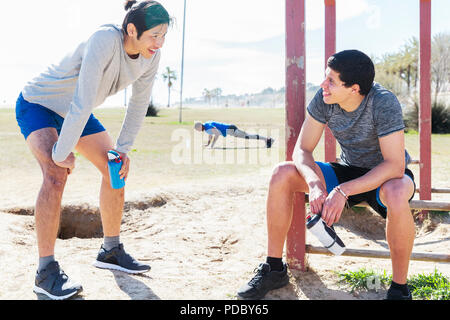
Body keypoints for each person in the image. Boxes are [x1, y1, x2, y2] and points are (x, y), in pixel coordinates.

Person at [15, 0, 171, 300]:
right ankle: (45, 272)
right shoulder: (104, 40)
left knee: (115, 167)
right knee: (56, 174)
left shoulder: (151, 57)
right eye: (154, 35)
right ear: (131, 29)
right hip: (39, 104)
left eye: (163, 36)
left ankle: (110, 250)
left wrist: (123, 151)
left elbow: (139, 105)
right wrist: (60, 154)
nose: (159, 43)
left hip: (75, 112)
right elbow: (83, 100)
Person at [237, 50, 416, 300]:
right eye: (325, 77)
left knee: (396, 193)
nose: (323, 85)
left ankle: (399, 289)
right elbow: (302, 150)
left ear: (354, 89)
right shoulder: (324, 98)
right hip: (347, 169)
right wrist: (315, 184)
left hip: (384, 176)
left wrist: (343, 191)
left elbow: (394, 165)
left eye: (331, 80)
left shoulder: (383, 102)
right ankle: (275, 268)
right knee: (282, 173)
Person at [194, 121, 274, 148]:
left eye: (197, 129)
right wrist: (208, 144)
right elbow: (211, 135)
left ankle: (268, 140)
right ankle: (267, 139)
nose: (198, 131)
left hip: (231, 129)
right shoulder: (206, 126)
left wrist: (212, 145)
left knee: (248, 136)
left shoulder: (207, 128)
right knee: (248, 136)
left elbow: (217, 134)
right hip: (231, 129)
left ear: (200, 126)